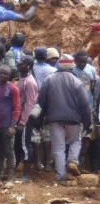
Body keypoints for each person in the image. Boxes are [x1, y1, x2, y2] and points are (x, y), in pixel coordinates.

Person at [37, 54, 91, 183]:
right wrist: (87, 122)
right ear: (72, 66)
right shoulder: (77, 82)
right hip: (73, 120)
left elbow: (41, 101)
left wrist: (40, 118)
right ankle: (72, 160)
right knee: (75, 141)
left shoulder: (49, 79)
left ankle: (61, 176)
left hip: (54, 119)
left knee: (59, 147)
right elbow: (84, 105)